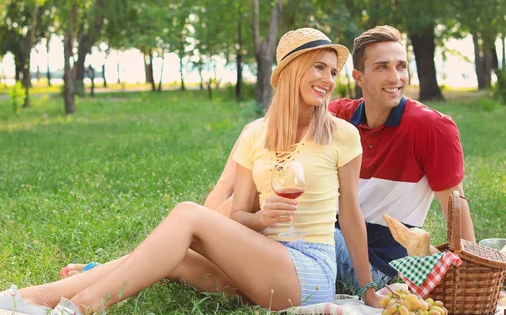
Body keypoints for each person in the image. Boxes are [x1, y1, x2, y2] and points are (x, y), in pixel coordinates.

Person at [0, 28, 382, 315]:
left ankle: (78, 313)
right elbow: (236, 216)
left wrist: (366, 289)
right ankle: (29, 299)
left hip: (306, 270)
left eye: (332, 71)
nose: (328, 80)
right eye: (318, 69)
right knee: (173, 251)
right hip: (258, 266)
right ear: (292, 71)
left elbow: (351, 214)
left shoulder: (341, 135)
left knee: (187, 217)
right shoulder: (256, 134)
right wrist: (261, 217)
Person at [202, 25, 476, 294]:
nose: (395, 77)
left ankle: (200, 239)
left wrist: (473, 271)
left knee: (267, 211)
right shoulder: (338, 116)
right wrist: (225, 187)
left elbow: (455, 205)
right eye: (382, 67)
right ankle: (202, 234)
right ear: (359, 77)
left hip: (375, 262)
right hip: (328, 235)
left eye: (401, 66)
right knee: (257, 163)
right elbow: (265, 131)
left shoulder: (432, 128)